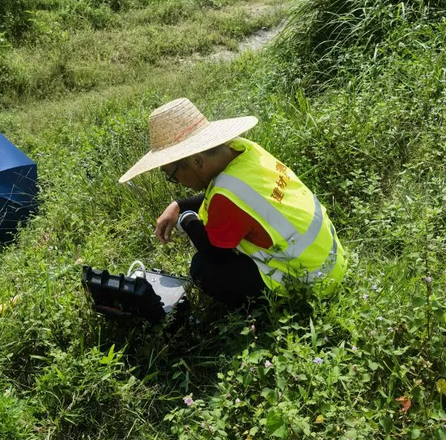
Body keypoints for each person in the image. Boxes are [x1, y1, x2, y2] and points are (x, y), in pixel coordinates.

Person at [119, 98, 346, 307]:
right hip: (330, 260)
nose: (175, 182)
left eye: (172, 173)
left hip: (312, 284)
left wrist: (188, 220)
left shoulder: (226, 197)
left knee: (202, 268)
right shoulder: (244, 150)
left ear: (196, 161)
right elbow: (231, 193)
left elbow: (215, 253)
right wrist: (178, 205)